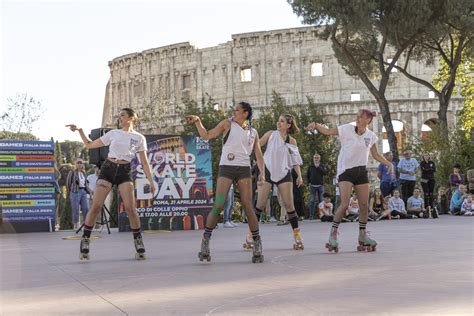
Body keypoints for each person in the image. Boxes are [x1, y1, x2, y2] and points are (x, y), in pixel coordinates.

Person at [66, 108, 155, 260]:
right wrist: (80, 130)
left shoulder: (139, 138)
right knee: (96, 206)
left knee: (130, 209)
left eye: (123, 115)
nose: (120, 118)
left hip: (124, 171)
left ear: (132, 118)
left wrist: (151, 180)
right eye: (119, 115)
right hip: (108, 169)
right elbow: (89, 145)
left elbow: (144, 162)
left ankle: (138, 241)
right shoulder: (114, 133)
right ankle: (85, 240)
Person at [185, 102, 265, 263]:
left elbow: (258, 154)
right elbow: (206, 135)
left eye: (237, 110)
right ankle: (205, 241)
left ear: (245, 114)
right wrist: (197, 121)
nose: (233, 112)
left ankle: (257, 243)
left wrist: (262, 173)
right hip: (227, 167)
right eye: (234, 110)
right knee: (219, 204)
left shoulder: (253, 132)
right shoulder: (227, 124)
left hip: (244, 169)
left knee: (248, 205)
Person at [306, 109, 394, 252]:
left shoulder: (370, 136)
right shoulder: (346, 129)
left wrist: (388, 163)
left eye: (361, 117)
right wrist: (316, 125)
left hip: (361, 172)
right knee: (345, 203)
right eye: (357, 116)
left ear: (368, 120)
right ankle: (333, 233)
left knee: (364, 204)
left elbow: (375, 154)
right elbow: (328, 132)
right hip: (345, 171)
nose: (358, 118)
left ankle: (362, 235)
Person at [252, 114, 305, 250]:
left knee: (289, 204)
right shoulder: (271, 134)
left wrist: (299, 176)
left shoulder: (292, 141)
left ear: (288, 125)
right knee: (261, 203)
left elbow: (295, 162)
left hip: (284, 172)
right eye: (278, 120)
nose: (278, 123)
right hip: (268, 170)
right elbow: (257, 144)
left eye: (282, 121)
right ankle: (251, 235)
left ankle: (297, 235)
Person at [66, 158, 90, 230]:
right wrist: (70, 192)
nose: (79, 164)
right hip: (75, 192)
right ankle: (76, 224)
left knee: (86, 208)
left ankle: (86, 224)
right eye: (78, 163)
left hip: (83, 192)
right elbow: (68, 183)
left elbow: (85, 184)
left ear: (82, 164)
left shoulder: (84, 173)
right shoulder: (72, 172)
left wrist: (88, 191)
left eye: (81, 163)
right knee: (75, 209)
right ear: (76, 164)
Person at [307, 153, 327, 219]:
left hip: (320, 186)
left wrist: (318, 167)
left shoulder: (322, 165)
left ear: (319, 159)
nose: (316, 159)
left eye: (317, 158)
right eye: (315, 158)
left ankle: (321, 215)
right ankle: (311, 215)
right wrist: (308, 184)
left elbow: (325, 172)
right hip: (312, 186)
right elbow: (307, 176)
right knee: (312, 201)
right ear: (313, 159)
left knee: (321, 201)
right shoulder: (311, 166)